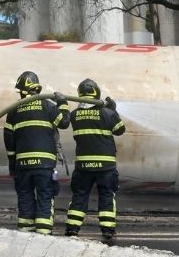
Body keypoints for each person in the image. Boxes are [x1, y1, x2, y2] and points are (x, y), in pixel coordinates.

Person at [4, 70, 69, 235]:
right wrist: (63, 104)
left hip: (22, 165)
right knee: (46, 195)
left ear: (22, 90)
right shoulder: (48, 106)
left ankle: (25, 233)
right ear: (37, 88)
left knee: (24, 196)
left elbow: (8, 139)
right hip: (44, 164)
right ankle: (43, 235)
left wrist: (12, 163)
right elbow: (64, 122)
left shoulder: (14, 111)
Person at [63, 78, 126, 244]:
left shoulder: (75, 115)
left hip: (83, 165)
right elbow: (120, 130)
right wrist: (113, 110)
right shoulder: (108, 113)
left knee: (80, 195)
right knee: (106, 195)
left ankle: (72, 228)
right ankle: (108, 231)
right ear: (96, 92)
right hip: (106, 166)